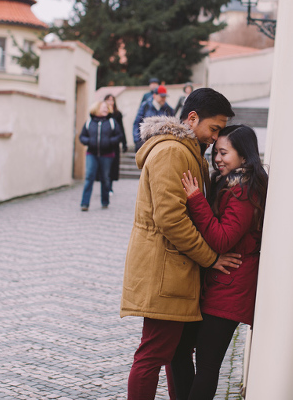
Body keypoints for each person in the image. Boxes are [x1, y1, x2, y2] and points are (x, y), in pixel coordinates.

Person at [121, 88, 239, 400]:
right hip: (164, 271)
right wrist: (211, 258)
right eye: (213, 128)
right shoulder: (173, 152)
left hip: (177, 272)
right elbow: (170, 218)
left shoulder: (189, 152)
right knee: (153, 354)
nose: (215, 138)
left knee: (178, 352)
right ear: (192, 118)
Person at [170, 125, 268, 400]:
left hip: (231, 288)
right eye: (216, 152)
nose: (217, 159)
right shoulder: (229, 185)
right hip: (218, 285)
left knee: (207, 366)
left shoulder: (246, 193)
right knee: (179, 351)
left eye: (224, 153)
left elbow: (223, 239)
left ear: (245, 157)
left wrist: (195, 200)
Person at [78, 101, 124, 211]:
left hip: (107, 155)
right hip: (92, 154)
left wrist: (109, 141)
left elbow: (119, 136)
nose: (106, 109)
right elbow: (82, 136)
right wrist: (89, 141)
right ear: (96, 108)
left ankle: (105, 201)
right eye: (103, 107)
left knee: (105, 178)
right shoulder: (89, 122)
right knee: (89, 177)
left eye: (107, 108)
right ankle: (84, 204)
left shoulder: (112, 122)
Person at [133, 85, 174, 151]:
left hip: (161, 146)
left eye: (165, 96)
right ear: (155, 95)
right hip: (146, 144)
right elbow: (137, 123)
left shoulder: (168, 109)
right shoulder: (145, 106)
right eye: (162, 96)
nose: (164, 98)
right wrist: (137, 141)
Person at [104, 93, 128, 195]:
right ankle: (105, 186)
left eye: (112, 100)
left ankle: (110, 186)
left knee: (113, 166)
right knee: (105, 166)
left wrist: (124, 142)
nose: (110, 102)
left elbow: (121, 129)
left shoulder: (117, 114)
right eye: (108, 100)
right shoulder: (103, 113)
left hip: (114, 144)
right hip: (104, 144)